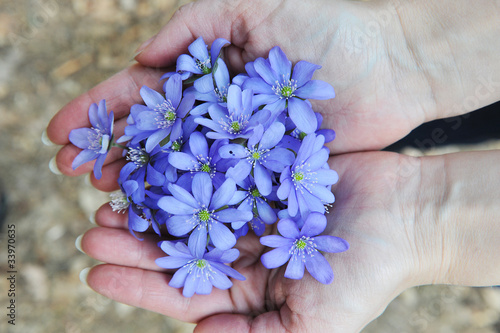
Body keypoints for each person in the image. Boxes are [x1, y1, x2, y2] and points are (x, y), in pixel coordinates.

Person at [46, 0, 500, 332]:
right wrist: (400, 55)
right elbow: (229, 172)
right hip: (229, 159)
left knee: (433, 122)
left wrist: (400, 56)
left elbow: (261, 167)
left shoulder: (278, 146)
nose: (205, 217)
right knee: (427, 124)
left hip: (263, 159)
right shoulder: (203, 143)